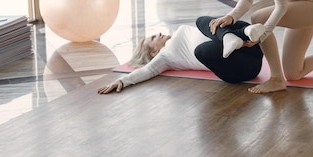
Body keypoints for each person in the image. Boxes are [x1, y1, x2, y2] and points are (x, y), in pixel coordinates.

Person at [97, 16, 263, 94]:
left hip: (251, 46)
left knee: (202, 21)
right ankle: (231, 38)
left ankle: (237, 34)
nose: (159, 33)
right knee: (202, 51)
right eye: (154, 38)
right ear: (153, 52)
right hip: (242, 66)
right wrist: (122, 81)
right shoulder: (165, 57)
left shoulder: (177, 33)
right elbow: (146, 71)